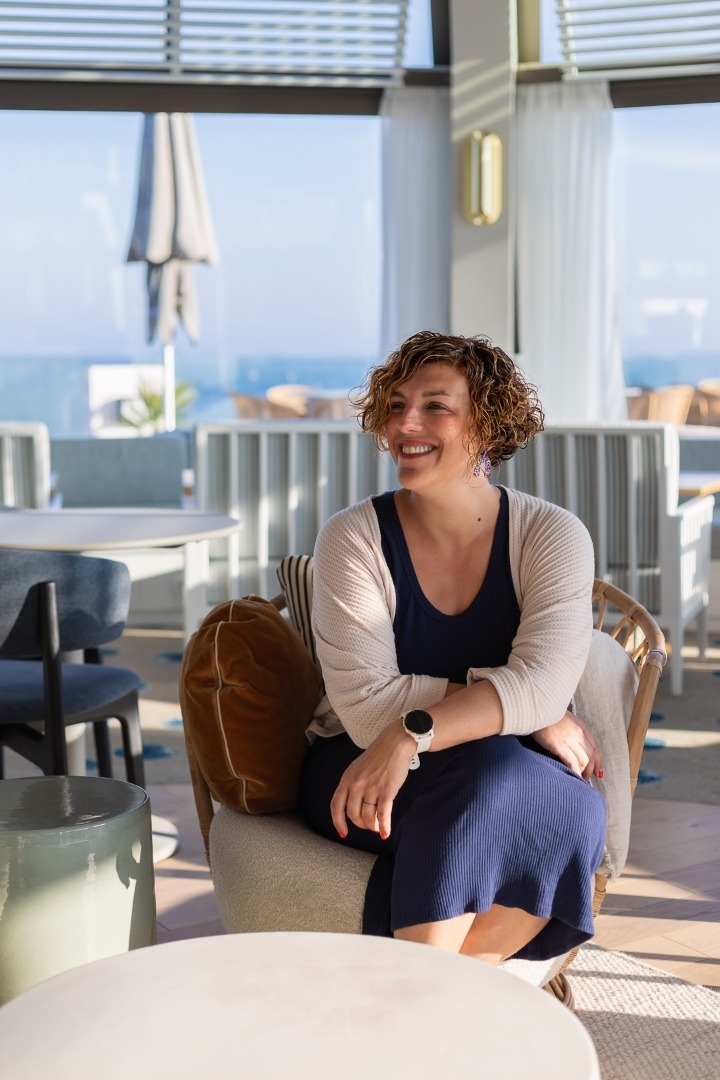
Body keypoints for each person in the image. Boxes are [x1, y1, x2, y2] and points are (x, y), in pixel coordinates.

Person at [298, 330, 607, 965]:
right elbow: (366, 708)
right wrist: (522, 705)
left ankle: (419, 996)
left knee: (572, 809)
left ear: (487, 425)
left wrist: (413, 727)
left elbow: (545, 682)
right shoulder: (353, 538)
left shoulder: (552, 536)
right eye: (395, 405)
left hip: (484, 759)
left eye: (435, 405)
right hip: (361, 763)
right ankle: (433, 1002)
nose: (405, 424)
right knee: (493, 780)